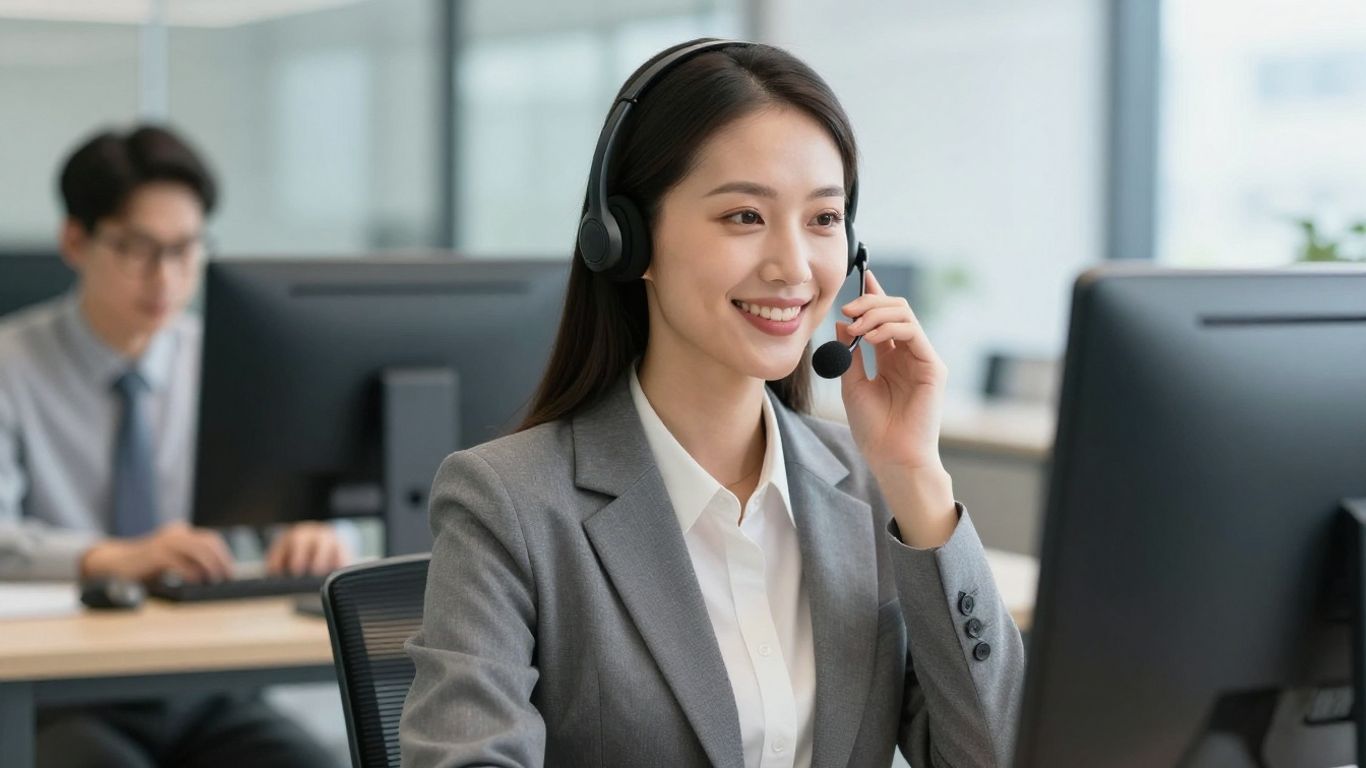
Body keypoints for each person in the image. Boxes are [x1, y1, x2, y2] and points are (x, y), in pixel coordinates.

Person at [400, 39, 1025, 768]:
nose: (793, 267)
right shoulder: (508, 505)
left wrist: (915, 475)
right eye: (744, 218)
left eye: (823, 220)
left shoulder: (867, 490)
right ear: (630, 242)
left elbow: (996, 754)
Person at [0, 125, 345, 767]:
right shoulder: (9, 366)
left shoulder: (228, 361)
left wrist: (306, 533)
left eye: (186, 250)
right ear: (75, 240)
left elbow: (277, 506)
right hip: (62, 693)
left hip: (209, 683)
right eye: (139, 248)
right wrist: (116, 558)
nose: (166, 276)